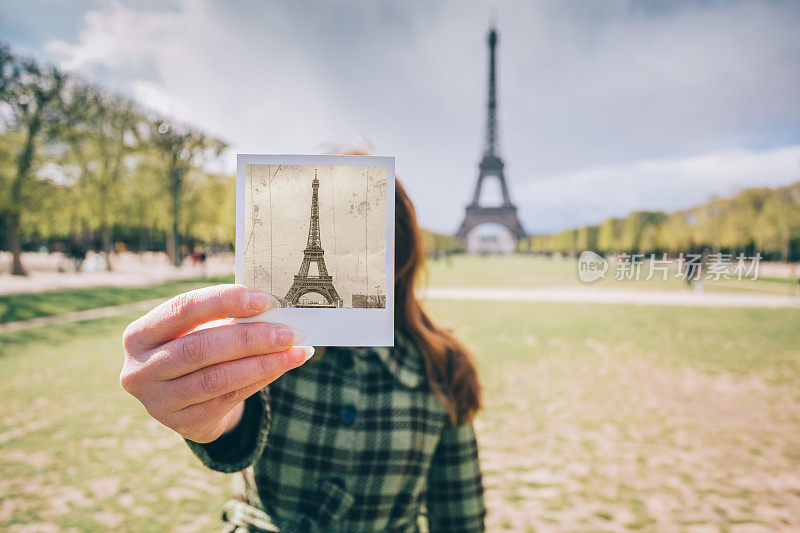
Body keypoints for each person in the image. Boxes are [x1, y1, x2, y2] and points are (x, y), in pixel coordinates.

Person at [120, 179, 486, 532]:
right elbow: (237, 421)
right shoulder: (267, 347)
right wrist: (214, 404)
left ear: (398, 251)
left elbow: (460, 515)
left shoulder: (445, 368)